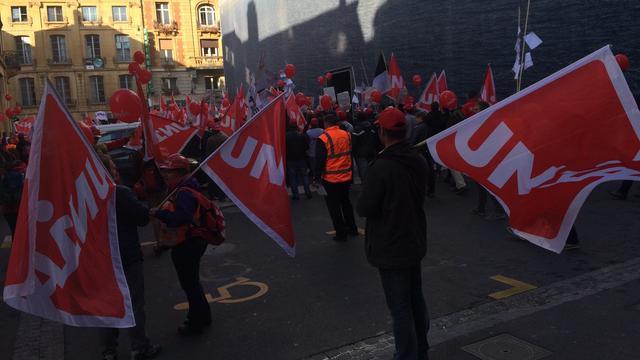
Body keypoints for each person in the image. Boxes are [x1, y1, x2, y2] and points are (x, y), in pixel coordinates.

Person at [356, 107, 430, 360]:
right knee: (415, 300)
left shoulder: (382, 167)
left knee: (400, 307)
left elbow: (365, 207)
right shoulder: (417, 160)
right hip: (414, 240)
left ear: (382, 132)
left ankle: (407, 355)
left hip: (391, 245)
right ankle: (421, 350)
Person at [99, 156, 161, 360]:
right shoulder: (119, 192)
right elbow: (141, 218)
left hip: (100, 258)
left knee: (107, 304)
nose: (117, 170)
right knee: (134, 303)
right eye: (114, 167)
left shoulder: (86, 194)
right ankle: (139, 346)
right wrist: (148, 211)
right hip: (126, 255)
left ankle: (109, 351)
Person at [151, 154, 211, 336]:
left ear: (180, 172)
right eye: (165, 171)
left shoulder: (184, 191)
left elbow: (183, 217)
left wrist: (160, 215)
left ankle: (195, 323)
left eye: (169, 171)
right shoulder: (185, 187)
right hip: (193, 240)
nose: (165, 175)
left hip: (187, 242)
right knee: (193, 282)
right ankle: (203, 316)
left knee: (190, 284)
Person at [314, 112, 358, 242]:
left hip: (331, 179)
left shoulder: (323, 138)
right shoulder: (347, 135)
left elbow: (320, 161)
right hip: (346, 175)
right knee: (346, 203)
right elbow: (350, 152)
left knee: (334, 207)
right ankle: (352, 228)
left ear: (326, 123)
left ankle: (341, 233)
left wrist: (316, 177)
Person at [286, 119, 312, 200]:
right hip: (302, 159)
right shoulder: (301, 135)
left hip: (291, 160)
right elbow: (307, 147)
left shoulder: (286, 136)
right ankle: (308, 192)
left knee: (292, 177)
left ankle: (296, 195)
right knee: (304, 176)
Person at [352, 111, 378, 183]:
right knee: (372, 175)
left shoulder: (357, 129)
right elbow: (376, 140)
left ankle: (366, 190)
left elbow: (354, 143)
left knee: (364, 176)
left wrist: (353, 152)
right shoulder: (373, 128)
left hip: (360, 155)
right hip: (371, 153)